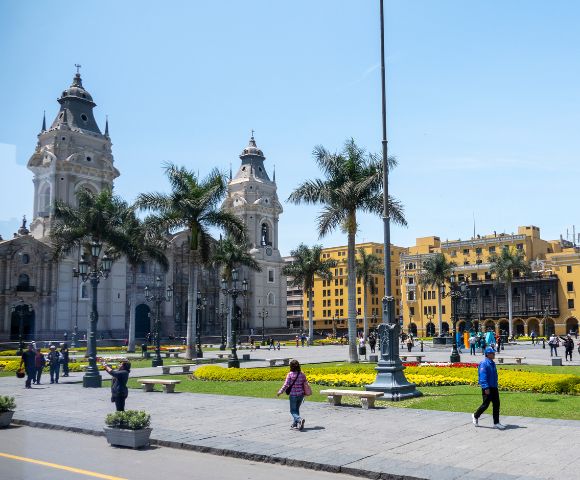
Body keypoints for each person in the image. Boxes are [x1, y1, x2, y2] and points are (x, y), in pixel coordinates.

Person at [472, 347, 505, 430]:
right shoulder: (484, 363)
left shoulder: (492, 363)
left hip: (494, 386)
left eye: (494, 353)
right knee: (485, 405)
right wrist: (486, 387)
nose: (494, 354)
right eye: (492, 353)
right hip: (487, 387)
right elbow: (483, 376)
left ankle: (496, 423)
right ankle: (475, 415)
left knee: (496, 404)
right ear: (488, 354)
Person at [276, 359, 311, 430]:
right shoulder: (302, 374)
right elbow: (305, 384)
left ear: (291, 366)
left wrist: (280, 392)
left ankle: (299, 419)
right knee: (296, 410)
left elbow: (286, 385)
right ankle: (295, 424)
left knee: (292, 411)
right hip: (301, 395)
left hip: (293, 395)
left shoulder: (290, 374)